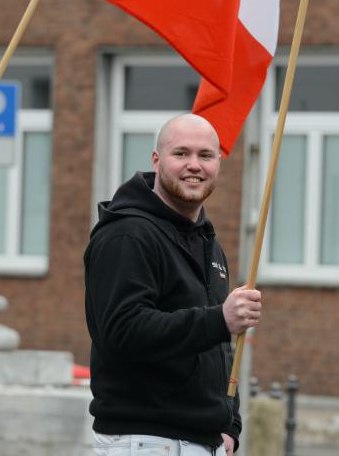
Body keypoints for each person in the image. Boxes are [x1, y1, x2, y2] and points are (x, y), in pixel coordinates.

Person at [84, 114, 261, 455]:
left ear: (219, 163)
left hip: (202, 442)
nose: (194, 165)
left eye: (205, 156)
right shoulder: (126, 235)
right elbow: (123, 332)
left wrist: (229, 424)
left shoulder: (209, 244)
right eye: (181, 154)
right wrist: (219, 320)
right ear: (156, 160)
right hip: (145, 441)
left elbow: (218, 350)